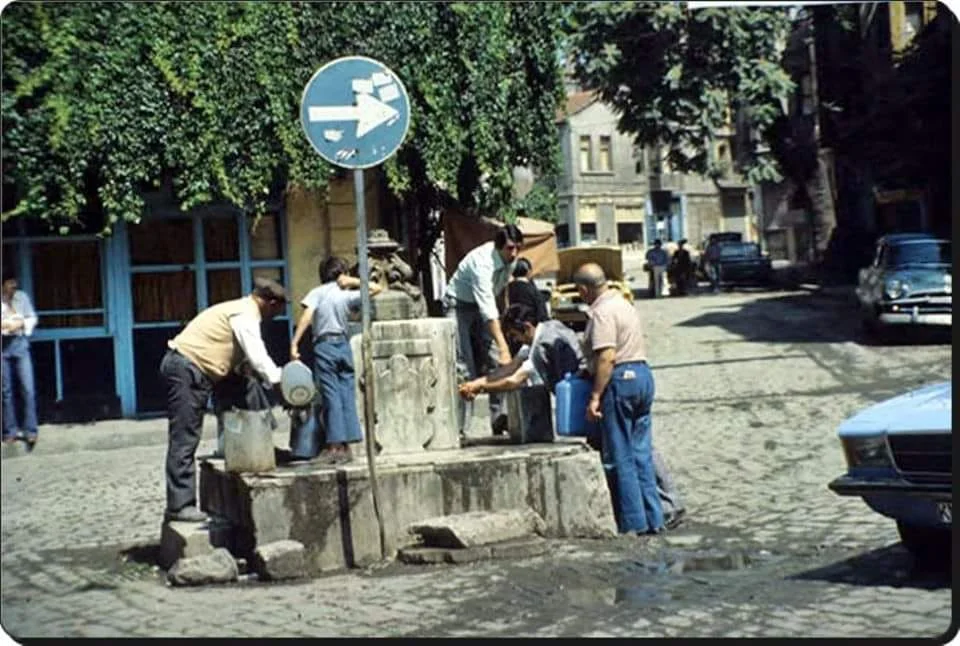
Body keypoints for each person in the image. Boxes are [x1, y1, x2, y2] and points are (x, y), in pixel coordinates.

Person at [459, 302, 685, 528]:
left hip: (596, 395)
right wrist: (475, 384)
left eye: (515, 335)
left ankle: (653, 510)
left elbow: (513, 379)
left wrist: (482, 389)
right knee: (639, 448)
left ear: (526, 327)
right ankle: (659, 508)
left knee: (627, 453)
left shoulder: (543, 344)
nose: (517, 340)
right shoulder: (547, 330)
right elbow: (509, 369)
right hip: (609, 389)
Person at [160, 277, 288, 522]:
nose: (279, 314)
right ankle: (180, 506)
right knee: (185, 437)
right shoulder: (245, 314)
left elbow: (243, 363)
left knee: (246, 388)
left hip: (203, 370)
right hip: (187, 369)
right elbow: (258, 356)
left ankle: (256, 445)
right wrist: (281, 384)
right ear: (271, 303)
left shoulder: (239, 309)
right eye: (279, 308)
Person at [577, 262, 664, 535]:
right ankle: (655, 517)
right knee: (641, 454)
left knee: (622, 455)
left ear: (583, 289)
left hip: (621, 380)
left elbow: (607, 357)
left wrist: (594, 397)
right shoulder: (624, 303)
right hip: (643, 375)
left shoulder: (601, 312)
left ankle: (634, 522)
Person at [290, 257, 383, 464]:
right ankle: (348, 446)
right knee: (346, 395)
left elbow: (306, 316)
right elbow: (377, 289)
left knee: (331, 396)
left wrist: (294, 343)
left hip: (325, 346)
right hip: (344, 346)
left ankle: (334, 448)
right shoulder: (346, 295)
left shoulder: (318, 292)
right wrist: (353, 281)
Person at [444, 224, 523, 436]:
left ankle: (499, 419)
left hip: (483, 309)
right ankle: (460, 428)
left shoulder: (510, 261)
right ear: (499, 247)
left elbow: (501, 292)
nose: (514, 253)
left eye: (517, 248)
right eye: (509, 248)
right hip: (459, 305)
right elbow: (488, 309)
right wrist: (504, 346)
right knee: (463, 367)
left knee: (497, 362)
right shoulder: (483, 264)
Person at [1, 272, 38, 450]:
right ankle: (10, 431)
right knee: (5, 390)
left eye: (15, 283)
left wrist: (22, 324)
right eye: (10, 284)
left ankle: (30, 430)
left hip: (20, 343)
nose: (13, 287)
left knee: (27, 388)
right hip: (2, 346)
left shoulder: (22, 297)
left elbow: (31, 316)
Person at [505, 257, 547, 356]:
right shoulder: (533, 291)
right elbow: (543, 316)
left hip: (511, 335)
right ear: (528, 272)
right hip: (530, 335)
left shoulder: (506, 290)